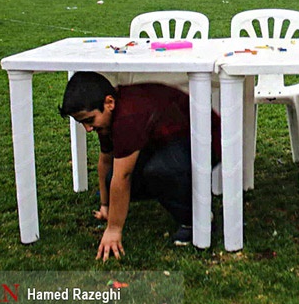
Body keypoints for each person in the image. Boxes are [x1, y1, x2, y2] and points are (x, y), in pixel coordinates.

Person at [58, 72, 222, 260]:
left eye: (89, 120)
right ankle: (175, 189)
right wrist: (106, 205)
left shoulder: (127, 116)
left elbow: (124, 176)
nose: (87, 129)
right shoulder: (107, 117)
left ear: (109, 103)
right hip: (166, 142)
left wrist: (113, 230)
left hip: (206, 140)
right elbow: (106, 159)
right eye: (82, 123)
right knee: (115, 179)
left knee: (159, 171)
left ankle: (195, 219)